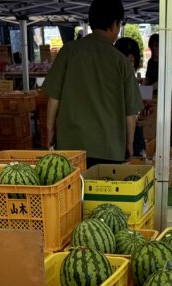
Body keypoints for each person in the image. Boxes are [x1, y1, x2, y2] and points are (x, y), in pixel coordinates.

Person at [43, 0, 143, 164]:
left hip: (71, 146)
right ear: (115, 25)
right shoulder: (121, 61)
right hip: (109, 148)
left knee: (74, 182)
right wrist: (129, 143)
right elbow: (130, 112)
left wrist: (50, 131)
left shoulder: (69, 51)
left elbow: (54, 98)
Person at [115, 36, 146, 156]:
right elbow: (130, 114)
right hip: (124, 134)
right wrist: (130, 143)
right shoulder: (126, 80)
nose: (129, 66)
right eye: (127, 60)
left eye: (131, 61)